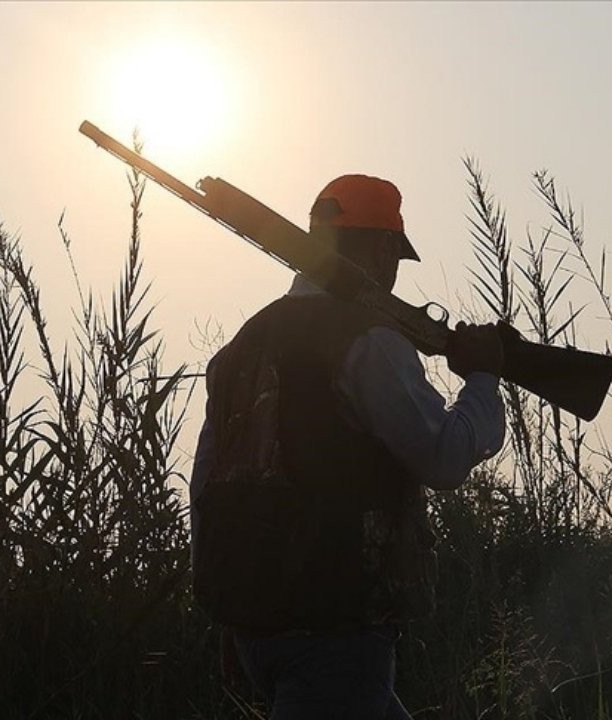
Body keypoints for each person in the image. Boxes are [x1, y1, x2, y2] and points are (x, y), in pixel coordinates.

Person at [189, 174, 506, 719]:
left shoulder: (241, 347)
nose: (393, 271)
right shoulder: (368, 341)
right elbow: (445, 458)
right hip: (336, 628)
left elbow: (208, 491)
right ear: (382, 248)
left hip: (260, 629)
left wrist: (230, 612)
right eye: (394, 255)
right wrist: (483, 377)